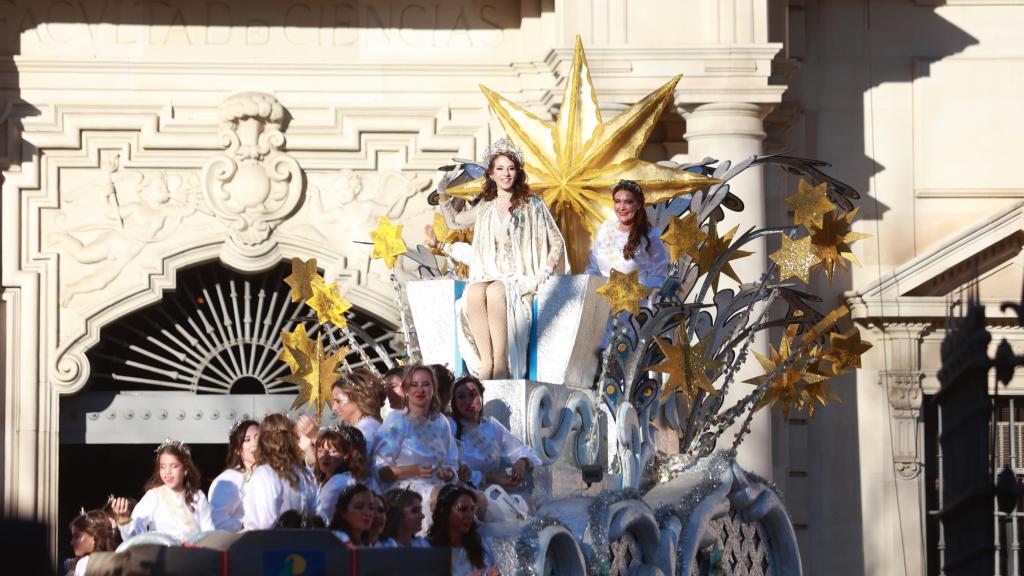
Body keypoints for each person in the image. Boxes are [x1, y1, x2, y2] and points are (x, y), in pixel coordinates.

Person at [429, 138, 567, 380]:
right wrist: (442, 195)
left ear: (518, 172)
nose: (506, 174)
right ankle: (487, 362)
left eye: (511, 168)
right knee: (472, 293)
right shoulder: (485, 207)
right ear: (491, 174)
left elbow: (555, 240)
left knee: (496, 292)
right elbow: (454, 221)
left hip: (520, 277)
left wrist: (545, 270)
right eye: (500, 169)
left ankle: (501, 362)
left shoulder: (531, 204)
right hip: (489, 274)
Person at [372, 364, 458, 519]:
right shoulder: (397, 420)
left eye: (426, 384)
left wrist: (448, 473)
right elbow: (381, 470)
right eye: (414, 385)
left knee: (476, 499)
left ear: (433, 389)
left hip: (440, 488)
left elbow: (451, 462)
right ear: (406, 390)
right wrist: (414, 470)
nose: (420, 390)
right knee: (444, 499)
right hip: (404, 491)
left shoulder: (441, 422)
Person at [110, 440, 214, 542]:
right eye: (163, 467)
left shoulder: (198, 496)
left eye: (174, 466)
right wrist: (124, 521)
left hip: (194, 556)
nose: (168, 472)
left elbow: (209, 533)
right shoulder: (153, 496)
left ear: (185, 469)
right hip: (162, 556)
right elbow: (135, 536)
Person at [449, 376, 541, 490]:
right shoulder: (449, 428)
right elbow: (448, 470)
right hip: (459, 495)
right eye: (461, 397)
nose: (468, 401)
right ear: (454, 402)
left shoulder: (491, 426)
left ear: (481, 397)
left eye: (473, 395)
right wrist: (491, 479)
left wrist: (523, 462)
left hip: (491, 494)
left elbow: (528, 453)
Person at [585, 179, 669, 289]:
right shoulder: (605, 229)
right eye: (617, 201)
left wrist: (635, 294)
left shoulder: (650, 235)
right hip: (601, 301)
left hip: (636, 303)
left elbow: (659, 276)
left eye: (628, 202)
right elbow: (593, 266)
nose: (622, 207)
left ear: (638, 204)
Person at [242, 413, 317, 530]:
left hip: (276, 544)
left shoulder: (264, 474)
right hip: (304, 542)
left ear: (263, 441)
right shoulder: (305, 473)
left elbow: (262, 524)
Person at [428, 484, 499, 576]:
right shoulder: (429, 549)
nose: (470, 515)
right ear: (444, 511)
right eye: (462, 509)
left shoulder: (482, 543)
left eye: (472, 509)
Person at [209, 419, 259, 532]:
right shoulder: (231, 478)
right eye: (247, 440)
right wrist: (246, 526)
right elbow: (216, 519)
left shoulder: (270, 473)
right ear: (237, 449)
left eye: (258, 437)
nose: (254, 444)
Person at [314, 425, 368, 525]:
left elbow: (321, 515)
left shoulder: (339, 481)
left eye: (333, 451)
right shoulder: (327, 479)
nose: (325, 456)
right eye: (320, 451)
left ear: (346, 456)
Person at [331, 368, 387, 452]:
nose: (334, 408)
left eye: (338, 401)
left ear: (358, 398)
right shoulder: (366, 428)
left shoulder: (365, 432)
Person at [66, 509, 117, 576]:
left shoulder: (85, 565)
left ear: (95, 537)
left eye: (77, 537)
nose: (71, 542)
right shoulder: (116, 562)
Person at [329, 483, 375, 548]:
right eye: (359, 507)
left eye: (371, 508)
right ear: (343, 512)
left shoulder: (367, 543)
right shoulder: (337, 539)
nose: (367, 513)